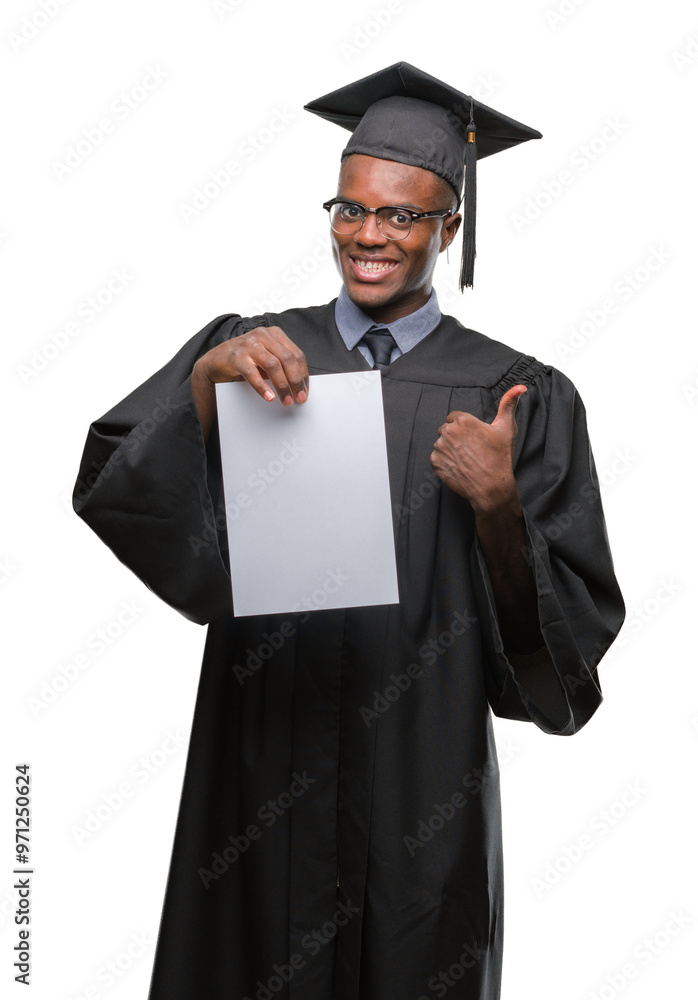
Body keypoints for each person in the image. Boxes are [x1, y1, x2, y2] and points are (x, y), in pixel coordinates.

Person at [73, 62, 625, 1000]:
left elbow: (557, 671)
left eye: (403, 216)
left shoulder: (515, 395)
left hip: (421, 784)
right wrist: (206, 393)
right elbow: (125, 501)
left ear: (451, 227)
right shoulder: (248, 350)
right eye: (350, 209)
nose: (369, 235)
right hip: (256, 771)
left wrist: (497, 508)